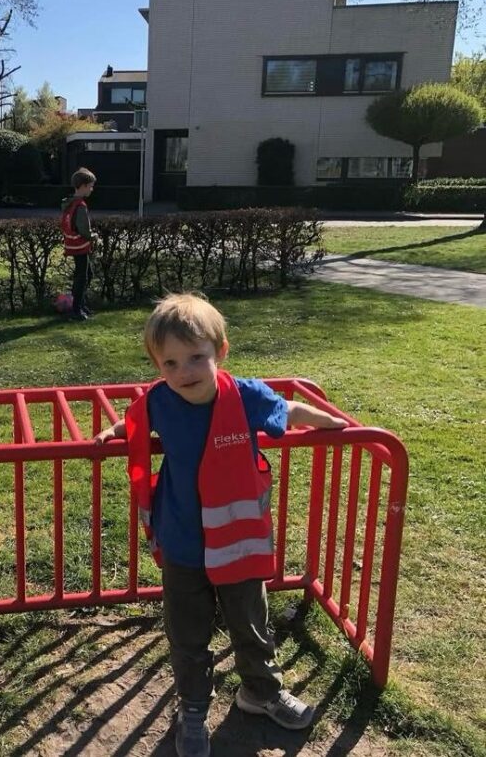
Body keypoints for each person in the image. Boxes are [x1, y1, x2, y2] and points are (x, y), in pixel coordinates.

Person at [94, 293, 348, 757]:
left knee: (251, 624)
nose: (184, 372)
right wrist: (112, 433)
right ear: (157, 365)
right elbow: (134, 421)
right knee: (188, 634)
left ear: (220, 351)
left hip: (239, 544)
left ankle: (261, 692)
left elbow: (287, 410)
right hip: (183, 544)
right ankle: (192, 707)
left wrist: (328, 421)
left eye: (196, 357)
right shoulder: (160, 400)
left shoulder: (243, 394)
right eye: (169, 363)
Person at [60, 167, 97, 321]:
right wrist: (94, 236)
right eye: (90, 186)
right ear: (82, 186)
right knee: (83, 277)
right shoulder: (80, 205)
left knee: (86, 274)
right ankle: (76, 309)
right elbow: (84, 229)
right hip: (80, 246)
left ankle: (80, 304)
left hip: (72, 245)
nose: (92, 189)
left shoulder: (70, 203)